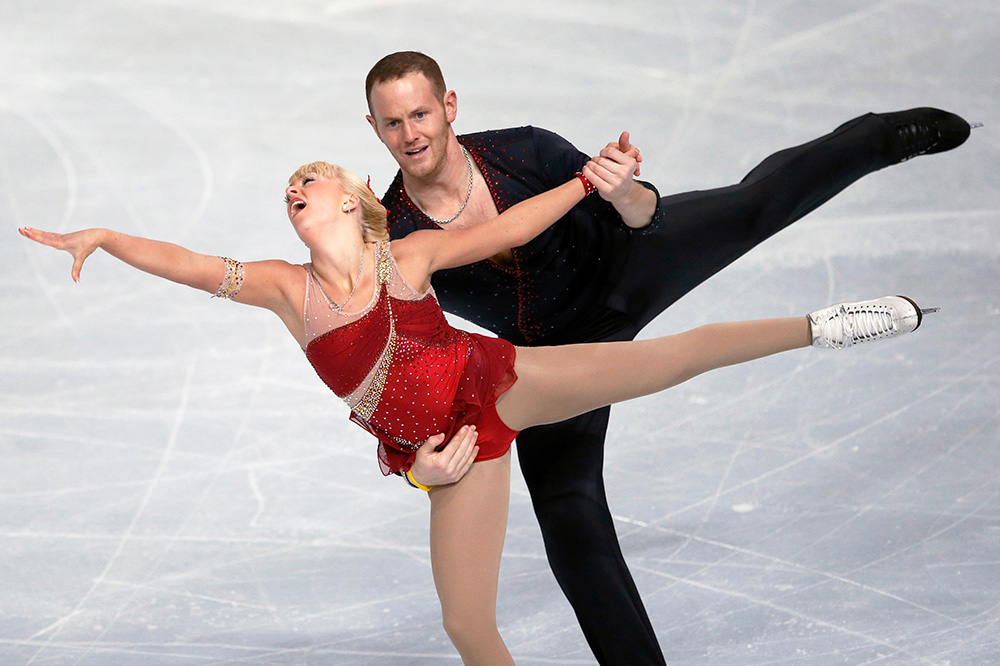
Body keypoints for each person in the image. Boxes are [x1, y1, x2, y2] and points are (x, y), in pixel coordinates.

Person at [21, 159, 928, 665]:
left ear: (349, 197)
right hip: (450, 452)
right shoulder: (283, 289)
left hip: (495, 380)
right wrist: (103, 237)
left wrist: (584, 183)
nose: (293, 190)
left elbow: (506, 231)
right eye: (285, 189)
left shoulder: (405, 258)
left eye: (311, 178)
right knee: (465, 624)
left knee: (660, 362)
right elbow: (187, 262)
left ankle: (822, 326)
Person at [363, 51, 972, 665]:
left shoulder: (524, 151)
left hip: (630, 264)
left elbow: (642, 216)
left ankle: (883, 137)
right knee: (569, 516)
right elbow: (402, 359)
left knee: (756, 204)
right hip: (557, 354)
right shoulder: (394, 235)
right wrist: (416, 463)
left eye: (421, 114)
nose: (411, 134)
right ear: (374, 128)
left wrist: (626, 191)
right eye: (393, 123)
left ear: (450, 107)